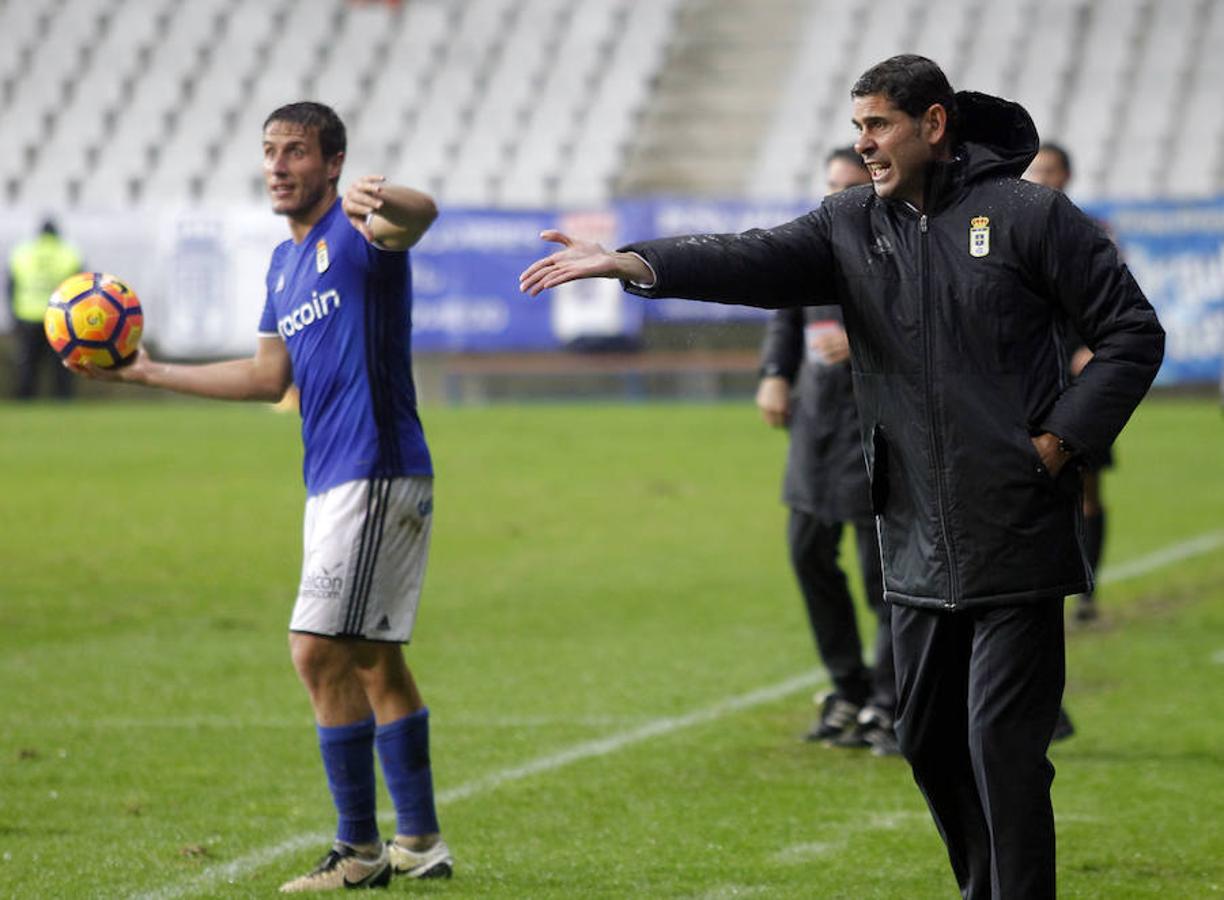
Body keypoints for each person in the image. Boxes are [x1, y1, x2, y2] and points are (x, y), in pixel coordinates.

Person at [520, 55, 1164, 899]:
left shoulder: (1029, 215)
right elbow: (748, 259)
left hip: (1015, 529)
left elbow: (1132, 334)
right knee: (928, 742)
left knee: (1002, 749)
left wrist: (1055, 444)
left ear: (933, 124)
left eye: (878, 126)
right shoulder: (849, 224)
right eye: (857, 127)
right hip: (915, 533)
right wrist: (634, 264)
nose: (863, 145)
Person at [69, 102, 453, 892]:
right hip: (334, 482)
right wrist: (148, 372)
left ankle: (359, 853)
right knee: (374, 658)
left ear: (334, 163)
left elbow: (424, 215)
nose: (279, 165)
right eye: (271, 152)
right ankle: (418, 842)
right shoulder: (284, 267)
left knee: (315, 649)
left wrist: (385, 198)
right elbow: (267, 378)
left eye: (298, 152)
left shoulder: (360, 232)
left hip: (375, 472)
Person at [755, 147, 897, 754]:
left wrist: (863, 337)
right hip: (817, 424)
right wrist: (773, 372)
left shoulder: (900, 244)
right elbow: (785, 312)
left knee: (883, 577)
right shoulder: (817, 241)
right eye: (830, 185)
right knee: (808, 555)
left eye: (848, 184)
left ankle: (892, 703)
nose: (837, 195)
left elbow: (931, 324)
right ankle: (849, 686)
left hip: (878, 425)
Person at [1024, 142, 1110, 624]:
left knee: (1087, 486)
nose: (1041, 177)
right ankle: (1041, 586)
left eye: (1050, 170)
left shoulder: (1088, 232)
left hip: (1081, 379)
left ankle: (1087, 589)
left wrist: (1091, 348)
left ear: (1067, 176)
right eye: (1035, 169)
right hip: (1037, 376)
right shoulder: (1018, 229)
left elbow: (1112, 302)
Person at [7, 218, 83, 399]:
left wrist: (13, 314)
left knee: (28, 364)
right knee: (63, 365)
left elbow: (10, 286)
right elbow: (82, 288)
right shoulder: (68, 253)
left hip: (27, 316)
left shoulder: (23, 252)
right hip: (60, 318)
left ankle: (26, 401)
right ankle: (63, 401)